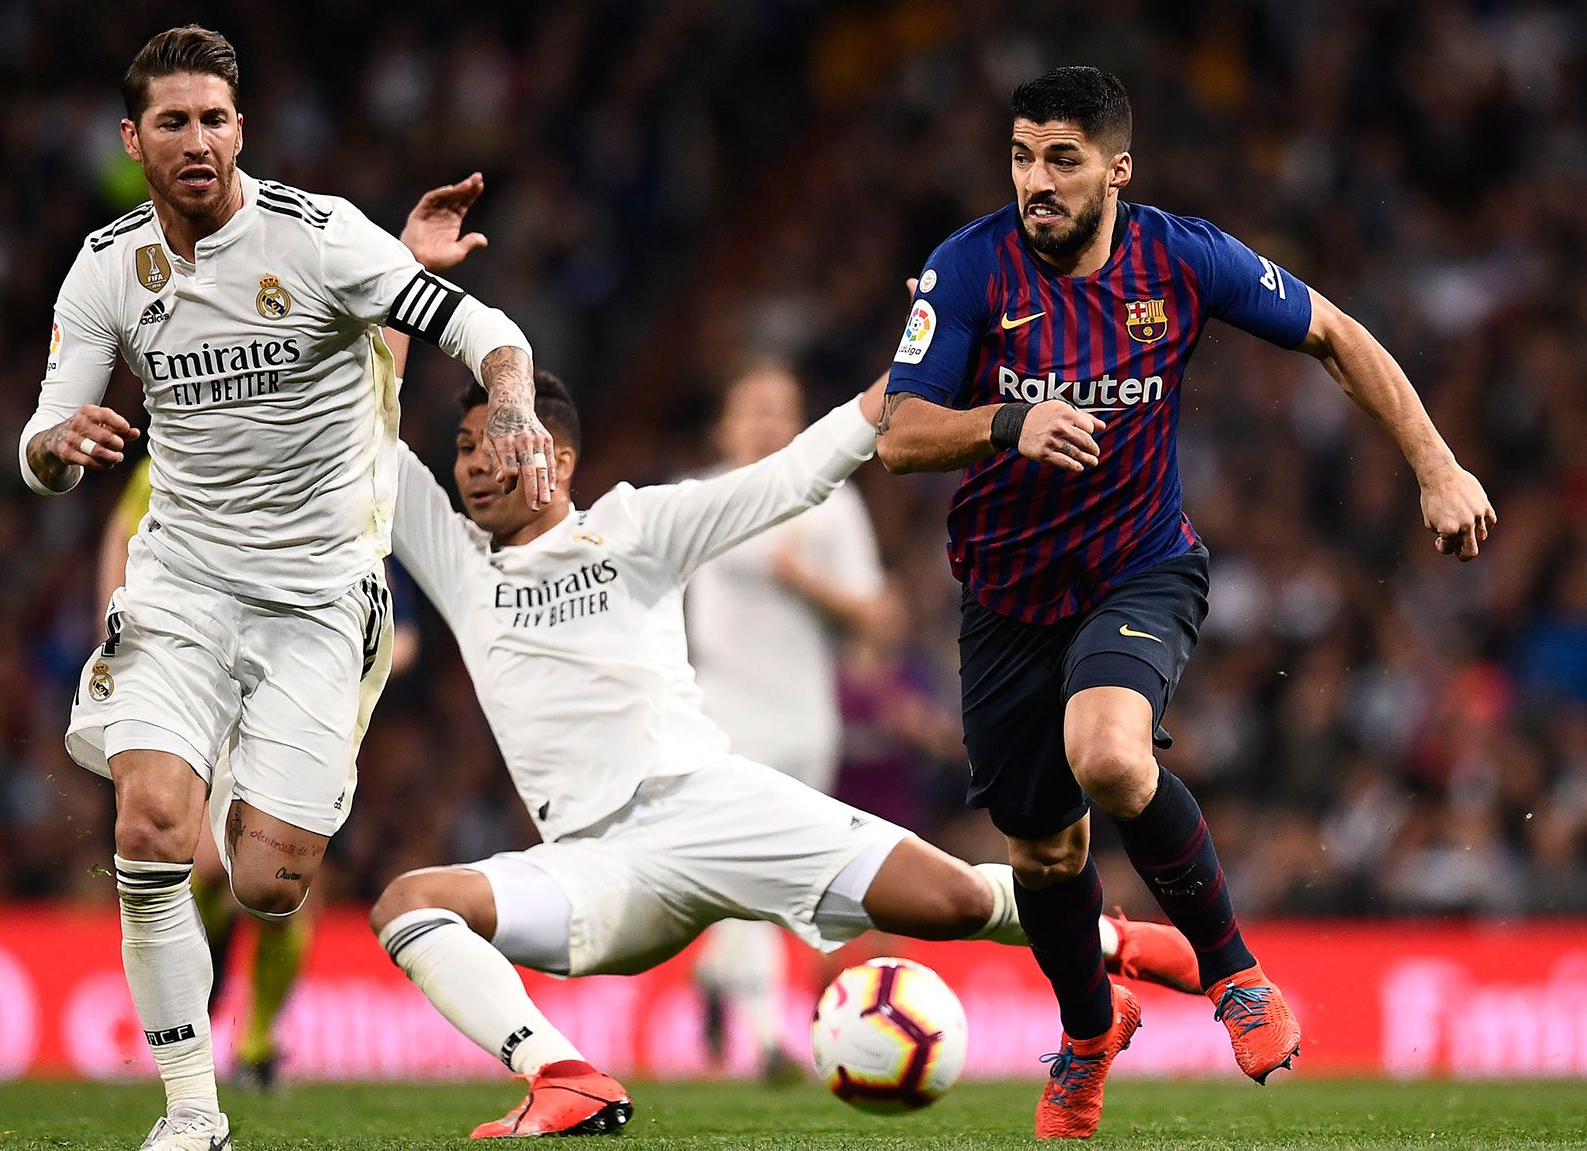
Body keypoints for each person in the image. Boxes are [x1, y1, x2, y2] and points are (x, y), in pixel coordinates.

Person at [875, 67, 1496, 1139]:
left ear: (1119, 167)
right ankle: (1087, 1031)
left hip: (1139, 565)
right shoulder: (967, 267)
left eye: (1062, 159)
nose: (1036, 181)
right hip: (1007, 595)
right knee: (1045, 852)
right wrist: (1008, 422)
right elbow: (898, 435)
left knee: (1110, 755)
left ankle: (1236, 973)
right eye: (1022, 156)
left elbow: (1338, 335)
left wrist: (1437, 467)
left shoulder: (1184, 255)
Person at [371, 365, 1201, 1139]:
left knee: (950, 901)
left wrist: (917, 359)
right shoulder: (459, 565)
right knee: (409, 903)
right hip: (594, 865)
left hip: (710, 803)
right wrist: (393, 284)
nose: (473, 464)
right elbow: (372, 432)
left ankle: (1105, 938)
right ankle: (561, 1074)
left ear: (556, 454)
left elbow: (796, 473)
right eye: (464, 448)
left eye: (493, 442)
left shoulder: (632, 526)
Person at [19, 25, 551, 1151]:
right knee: (154, 828)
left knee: (266, 881)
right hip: (182, 582)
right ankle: (192, 1112)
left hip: (319, 596)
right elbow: (39, 434)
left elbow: (490, 330)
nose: (198, 139)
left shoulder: (317, 240)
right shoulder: (109, 264)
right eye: (174, 122)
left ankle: (240, 822)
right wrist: (56, 443)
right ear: (136, 139)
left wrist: (511, 404)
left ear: (242, 130)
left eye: (216, 119)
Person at [683, 362, 884, 1081]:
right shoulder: (698, 498)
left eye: (782, 408)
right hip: (724, 711)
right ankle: (769, 1036)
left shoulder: (830, 502)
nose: (768, 421)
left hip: (808, 717)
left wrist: (807, 582)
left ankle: (716, 976)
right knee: (750, 868)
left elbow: (876, 612)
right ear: (725, 423)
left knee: (782, 879)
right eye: (754, 407)